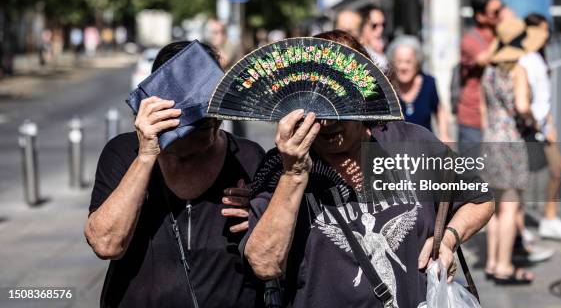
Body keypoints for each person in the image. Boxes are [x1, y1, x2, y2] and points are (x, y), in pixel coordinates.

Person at [242, 30, 494, 307]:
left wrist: (447, 240)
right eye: (317, 107)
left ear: (364, 97)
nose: (327, 123)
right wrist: (294, 174)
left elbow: (479, 199)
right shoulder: (281, 165)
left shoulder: (411, 142)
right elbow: (264, 264)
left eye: (339, 105)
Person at [84, 41, 265, 307]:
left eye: (217, 111)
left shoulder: (248, 157)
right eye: (199, 118)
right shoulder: (123, 153)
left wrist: (261, 216)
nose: (215, 123)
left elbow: (271, 252)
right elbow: (106, 244)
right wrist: (146, 155)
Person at [481, 18, 543, 285]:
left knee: (494, 207)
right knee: (510, 206)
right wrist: (533, 120)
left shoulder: (489, 72)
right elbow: (521, 105)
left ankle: (493, 262)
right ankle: (505, 266)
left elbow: (485, 111)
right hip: (511, 142)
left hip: (491, 139)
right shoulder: (517, 71)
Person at [521, 13, 561, 241]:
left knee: (557, 166)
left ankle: (549, 218)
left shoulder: (539, 57)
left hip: (543, 124)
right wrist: (535, 122)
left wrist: (549, 123)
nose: (546, 34)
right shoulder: (523, 59)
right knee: (521, 178)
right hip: (529, 125)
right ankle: (518, 228)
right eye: (541, 29)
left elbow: (544, 97)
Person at [457, 0, 505, 156]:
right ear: (480, 16)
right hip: (474, 118)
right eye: (496, 12)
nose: (502, 15)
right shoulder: (470, 40)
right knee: (471, 174)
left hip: (499, 119)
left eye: (502, 9)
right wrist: (506, 35)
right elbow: (486, 59)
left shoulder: (500, 36)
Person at [387, 36, 450, 142]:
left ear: (417, 63)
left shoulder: (429, 83)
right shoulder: (387, 87)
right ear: (393, 63)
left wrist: (444, 134)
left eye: (408, 62)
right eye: (399, 61)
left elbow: (439, 109)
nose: (403, 67)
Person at [359, 5, 389, 71]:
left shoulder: (381, 48)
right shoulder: (357, 51)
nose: (381, 30)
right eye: (374, 26)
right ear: (362, 26)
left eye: (383, 25)